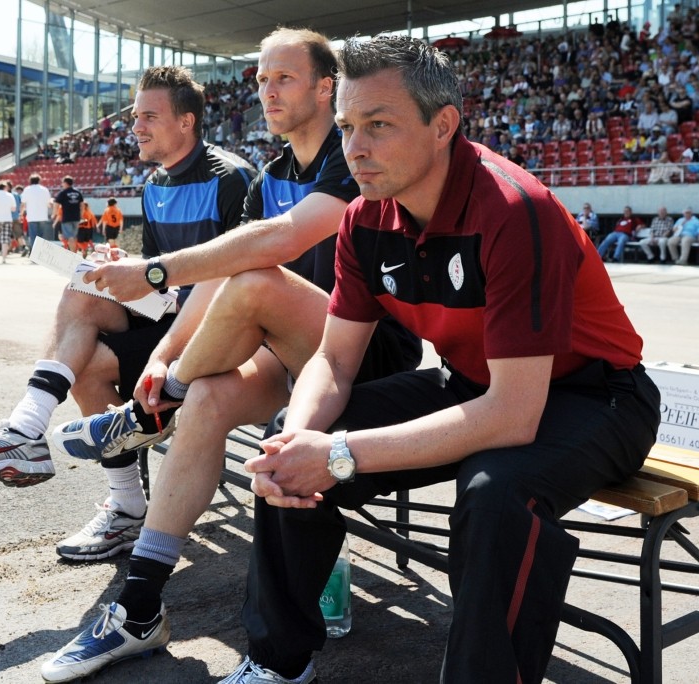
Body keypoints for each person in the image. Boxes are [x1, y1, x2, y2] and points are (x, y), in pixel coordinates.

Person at [221, 35, 659, 684]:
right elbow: (334, 360)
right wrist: (300, 444)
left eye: (379, 125)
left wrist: (337, 454)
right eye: (347, 126)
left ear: (443, 125)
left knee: (496, 492)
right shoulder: (364, 219)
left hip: (599, 398)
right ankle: (276, 663)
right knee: (287, 436)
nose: (355, 147)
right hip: (478, 384)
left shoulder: (514, 210)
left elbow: (513, 415)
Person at [38, 28, 421, 683]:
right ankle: (137, 608)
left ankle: (148, 416)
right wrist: (164, 356)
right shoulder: (271, 174)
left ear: (325, 87)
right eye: (262, 80)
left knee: (257, 278)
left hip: (368, 350)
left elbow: (282, 240)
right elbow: (217, 276)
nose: (268, 91)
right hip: (297, 354)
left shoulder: (351, 153)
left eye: (285, 78)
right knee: (210, 395)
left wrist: (154, 272)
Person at [0, 65, 257, 508]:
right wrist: (125, 266)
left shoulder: (231, 178)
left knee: (85, 366)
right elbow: (160, 272)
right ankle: (27, 430)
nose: (136, 127)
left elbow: (244, 277)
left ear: (186, 121)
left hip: (216, 331)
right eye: (135, 116)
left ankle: (119, 500)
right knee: (83, 288)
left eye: (149, 117)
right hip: (171, 315)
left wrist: (153, 279)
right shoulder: (154, 185)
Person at [20, 172, 52, 250]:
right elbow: (49, 204)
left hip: (31, 216)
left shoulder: (27, 189)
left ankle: (34, 252)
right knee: (41, 236)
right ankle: (40, 252)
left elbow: (23, 204)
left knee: (33, 236)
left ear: (30, 181)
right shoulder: (44, 189)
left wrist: (21, 214)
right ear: (39, 180)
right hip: (42, 216)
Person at [53, 176, 84, 253]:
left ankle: (73, 253)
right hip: (76, 218)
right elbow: (82, 205)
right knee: (74, 236)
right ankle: (74, 252)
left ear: (66, 183)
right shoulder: (78, 192)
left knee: (70, 236)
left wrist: (54, 214)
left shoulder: (63, 193)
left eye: (62, 183)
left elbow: (56, 204)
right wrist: (81, 215)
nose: (62, 184)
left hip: (67, 218)